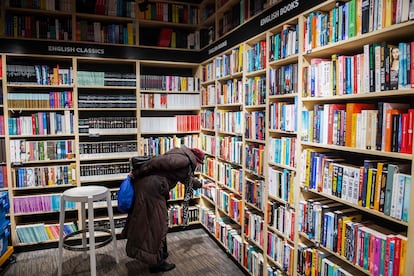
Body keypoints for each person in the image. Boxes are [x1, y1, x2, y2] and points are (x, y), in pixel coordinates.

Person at [123, 146, 213, 273]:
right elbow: (155, 162)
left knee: (156, 224)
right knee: (157, 225)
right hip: (152, 190)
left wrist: (202, 185)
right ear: (196, 159)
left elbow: (185, 178)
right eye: (199, 163)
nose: (198, 166)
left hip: (153, 188)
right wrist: (136, 174)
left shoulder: (181, 157)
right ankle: (156, 263)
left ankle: (159, 256)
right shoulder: (183, 160)